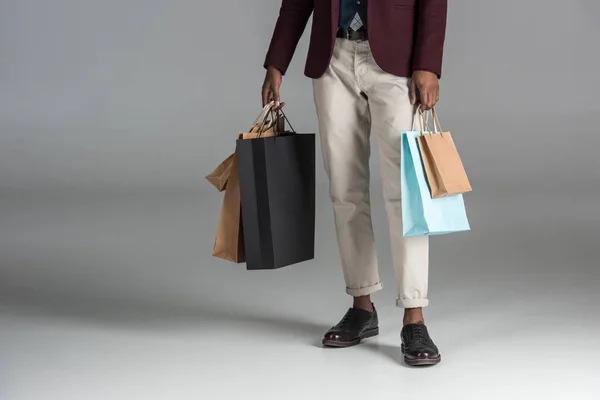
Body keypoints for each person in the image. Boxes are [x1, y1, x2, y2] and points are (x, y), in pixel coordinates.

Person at [262, 0, 447, 366]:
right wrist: (276, 62)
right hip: (333, 59)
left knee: (406, 193)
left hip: (396, 60)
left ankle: (414, 316)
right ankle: (362, 306)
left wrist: (427, 63)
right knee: (344, 190)